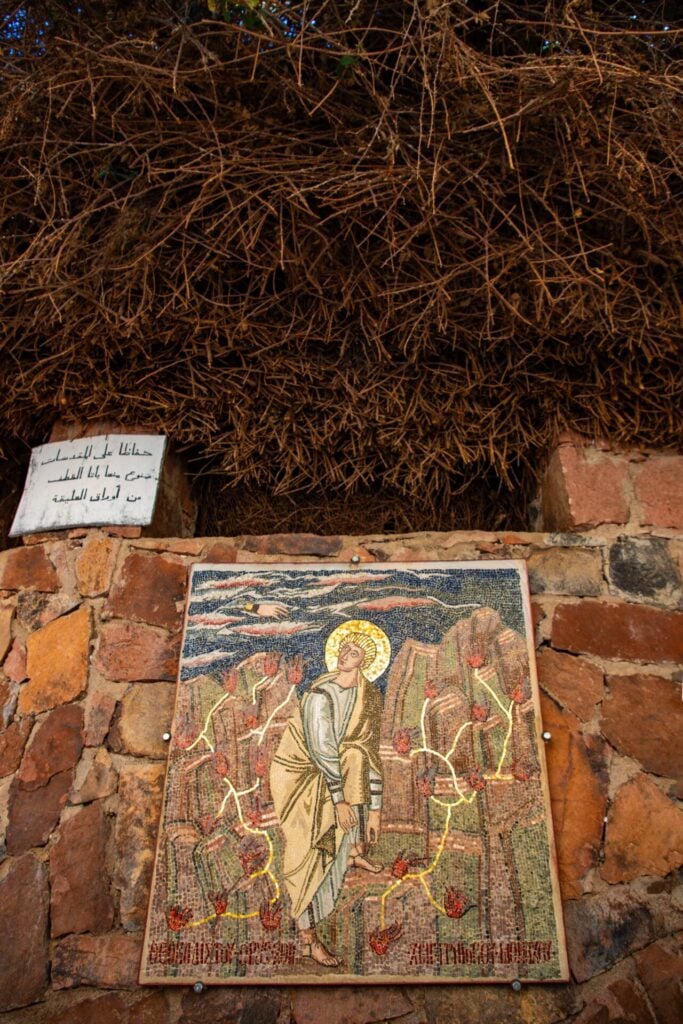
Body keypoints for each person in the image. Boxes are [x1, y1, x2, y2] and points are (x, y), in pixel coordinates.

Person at [270, 632, 384, 967]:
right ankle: (308, 938)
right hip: (300, 774)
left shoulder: (367, 697)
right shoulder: (320, 695)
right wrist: (339, 802)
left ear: (365, 662)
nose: (344, 654)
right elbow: (322, 751)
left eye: (353, 651)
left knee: (356, 755)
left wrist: (375, 811)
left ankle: (352, 850)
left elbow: (369, 753)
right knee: (305, 855)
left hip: (335, 775)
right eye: (343, 648)